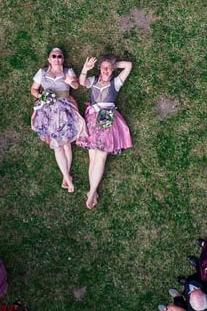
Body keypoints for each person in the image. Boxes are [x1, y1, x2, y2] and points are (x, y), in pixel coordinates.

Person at [76, 55, 133, 210]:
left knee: (100, 157)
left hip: (106, 120)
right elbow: (82, 82)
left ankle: (92, 191)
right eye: (103, 67)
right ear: (99, 68)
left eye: (109, 68)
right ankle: (92, 192)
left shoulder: (116, 82)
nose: (106, 70)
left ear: (113, 70)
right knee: (92, 157)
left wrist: (114, 64)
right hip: (92, 120)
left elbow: (128, 65)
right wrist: (85, 69)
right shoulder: (93, 80)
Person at [30, 48, 86, 193]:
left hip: (65, 109)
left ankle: (65, 177)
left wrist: (71, 81)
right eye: (53, 56)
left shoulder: (68, 71)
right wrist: (41, 96)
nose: (56, 58)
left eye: (59, 56)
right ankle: (67, 178)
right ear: (49, 59)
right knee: (57, 145)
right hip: (48, 112)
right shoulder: (42, 72)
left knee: (67, 145)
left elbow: (75, 85)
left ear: (62, 59)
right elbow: (34, 90)